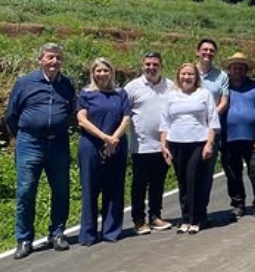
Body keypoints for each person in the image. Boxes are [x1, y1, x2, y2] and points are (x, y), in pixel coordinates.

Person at [6, 43, 76, 259]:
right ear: (40, 60)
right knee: (26, 191)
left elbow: (71, 111)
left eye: (58, 58)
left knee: (61, 190)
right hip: (30, 143)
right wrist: (26, 134)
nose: (54, 62)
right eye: (49, 57)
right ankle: (24, 239)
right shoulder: (25, 83)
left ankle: (57, 233)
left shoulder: (67, 84)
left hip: (58, 144)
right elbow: (11, 115)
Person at [160, 63, 220, 234]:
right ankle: (185, 218)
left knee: (193, 179)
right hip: (176, 143)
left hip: (198, 142)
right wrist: (164, 145)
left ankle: (195, 219)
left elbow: (213, 120)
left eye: (191, 74)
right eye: (184, 74)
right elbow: (165, 122)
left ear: (196, 77)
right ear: (179, 76)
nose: (187, 77)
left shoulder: (204, 94)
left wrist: (209, 144)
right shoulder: (171, 96)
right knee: (182, 181)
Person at [76, 58, 131, 245]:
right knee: (90, 189)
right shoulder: (86, 94)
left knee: (114, 189)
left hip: (116, 145)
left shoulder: (120, 93)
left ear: (112, 72)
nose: (102, 74)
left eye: (106, 70)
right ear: (93, 73)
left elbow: (126, 118)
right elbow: (82, 119)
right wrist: (104, 138)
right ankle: (88, 234)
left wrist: (113, 139)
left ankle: (111, 231)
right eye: (98, 71)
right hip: (90, 146)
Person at [125, 52, 175, 235]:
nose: (151, 67)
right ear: (142, 65)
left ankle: (155, 216)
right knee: (139, 185)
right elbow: (123, 114)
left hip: (163, 144)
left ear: (161, 65)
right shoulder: (132, 87)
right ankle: (138, 220)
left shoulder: (171, 86)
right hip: (141, 145)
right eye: (148, 64)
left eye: (155, 64)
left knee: (158, 183)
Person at [221, 53, 255, 220]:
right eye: (234, 67)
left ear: (246, 69)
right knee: (232, 173)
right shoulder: (224, 88)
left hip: (254, 138)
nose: (238, 70)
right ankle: (238, 204)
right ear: (229, 69)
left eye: (241, 67)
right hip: (228, 138)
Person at [196, 38, 229, 225]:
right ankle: (189, 212)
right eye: (204, 49)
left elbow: (224, 101)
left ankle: (201, 212)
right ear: (198, 52)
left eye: (211, 50)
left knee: (206, 174)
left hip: (211, 131)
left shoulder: (221, 76)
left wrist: (210, 117)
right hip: (189, 131)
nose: (207, 53)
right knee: (189, 173)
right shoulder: (189, 72)